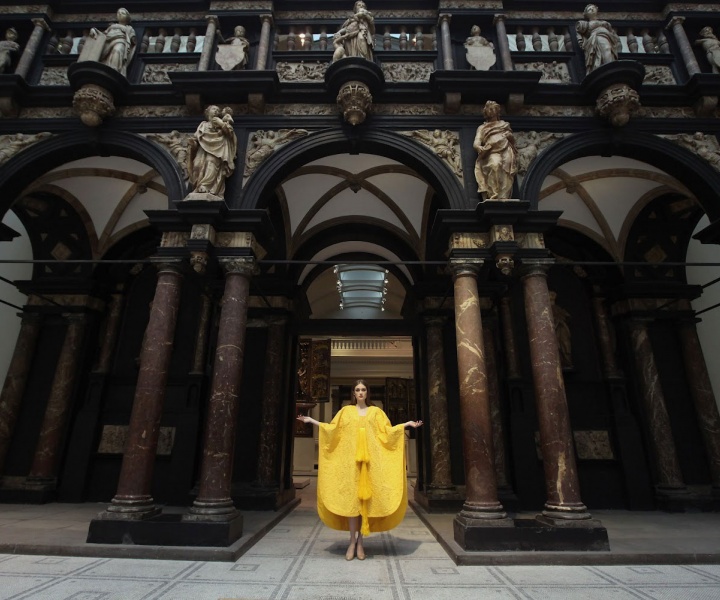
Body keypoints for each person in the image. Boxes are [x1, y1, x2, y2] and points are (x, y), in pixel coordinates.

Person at [297, 379, 422, 561]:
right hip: (350, 465)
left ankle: (361, 542)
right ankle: (351, 541)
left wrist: (406, 424)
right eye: (357, 389)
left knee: (365, 505)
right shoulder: (346, 412)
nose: (361, 392)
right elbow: (332, 430)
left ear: (367, 392)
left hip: (369, 466)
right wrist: (312, 420)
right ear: (353, 393)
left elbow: (387, 432)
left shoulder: (376, 412)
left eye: (363, 389)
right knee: (351, 504)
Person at [187, 105, 237, 197]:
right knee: (197, 165)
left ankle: (205, 186)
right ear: (207, 111)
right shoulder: (203, 124)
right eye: (214, 109)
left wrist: (221, 124)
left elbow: (230, 133)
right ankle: (197, 186)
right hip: (203, 148)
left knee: (211, 163)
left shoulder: (220, 123)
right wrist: (193, 143)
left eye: (218, 110)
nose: (216, 111)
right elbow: (197, 137)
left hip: (217, 149)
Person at [473, 100, 517, 200]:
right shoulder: (482, 127)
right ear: (485, 112)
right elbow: (477, 141)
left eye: (493, 109)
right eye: (489, 109)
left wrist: (510, 136)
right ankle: (494, 194)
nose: (491, 111)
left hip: (506, 149)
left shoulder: (504, 124)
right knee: (495, 165)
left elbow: (512, 141)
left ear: (497, 111)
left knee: (507, 171)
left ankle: (504, 196)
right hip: (491, 151)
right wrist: (478, 147)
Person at [90, 7, 137, 76]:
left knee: (117, 50)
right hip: (108, 43)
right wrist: (94, 30)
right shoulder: (112, 26)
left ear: (127, 17)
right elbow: (103, 35)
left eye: (123, 13)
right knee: (109, 56)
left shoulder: (129, 28)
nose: (120, 14)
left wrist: (132, 38)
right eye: (118, 13)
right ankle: (108, 69)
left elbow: (133, 41)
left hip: (120, 41)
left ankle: (114, 70)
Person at [576, 4, 620, 74]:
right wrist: (581, 42)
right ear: (586, 14)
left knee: (609, 51)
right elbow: (579, 35)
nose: (592, 9)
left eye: (593, 8)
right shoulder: (584, 24)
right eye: (589, 9)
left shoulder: (604, 23)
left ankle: (609, 68)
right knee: (606, 49)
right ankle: (609, 69)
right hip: (598, 38)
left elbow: (613, 33)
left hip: (608, 38)